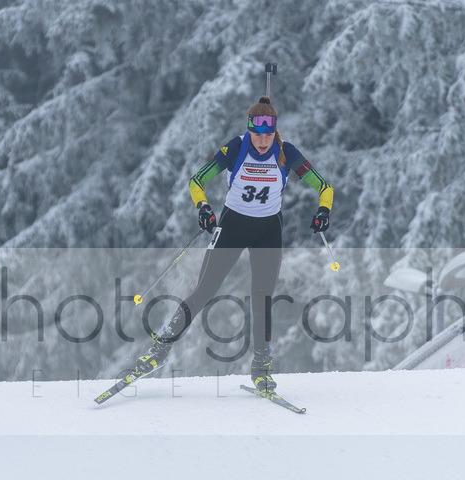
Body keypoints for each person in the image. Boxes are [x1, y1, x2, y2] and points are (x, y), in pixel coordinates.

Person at [136, 95, 333, 393]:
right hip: (232, 226)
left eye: (268, 135)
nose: (263, 142)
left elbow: (324, 186)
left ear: (275, 131)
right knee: (205, 290)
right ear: (249, 130)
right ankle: (159, 349)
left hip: (268, 230)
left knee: (263, 297)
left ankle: (260, 369)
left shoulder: (285, 152)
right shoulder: (237, 147)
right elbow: (196, 181)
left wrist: (323, 211)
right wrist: (203, 207)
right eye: (257, 135)